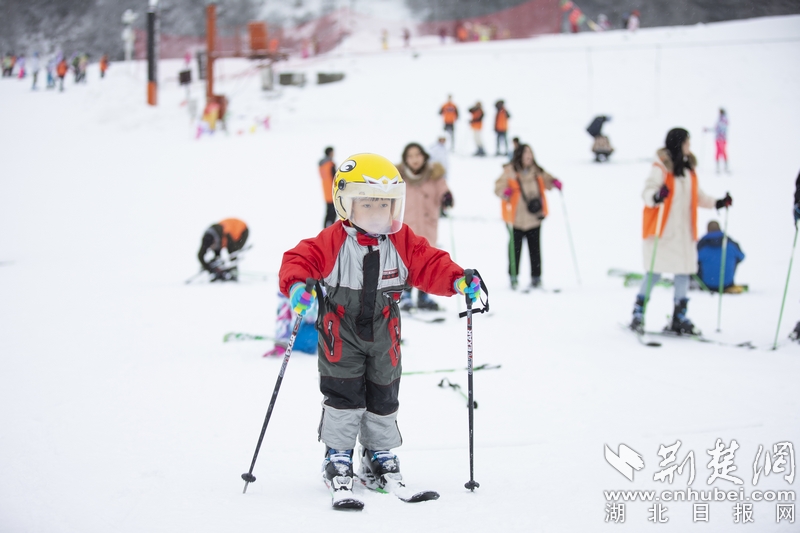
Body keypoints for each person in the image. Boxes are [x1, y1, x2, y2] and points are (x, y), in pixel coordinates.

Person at [277, 153, 481, 504]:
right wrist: (299, 286)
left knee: (384, 395)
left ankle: (379, 454)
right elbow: (300, 259)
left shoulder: (400, 241)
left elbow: (429, 262)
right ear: (346, 204)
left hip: (385, 332)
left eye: (385, 205)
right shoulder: (333, 240)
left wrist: (458, 280)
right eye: (368, 204)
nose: (378, 213)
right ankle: (337, 455)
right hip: (339, 331)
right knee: (344, 395)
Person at [629, 128, 733, 335]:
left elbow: (698, 196)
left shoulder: (688, 170)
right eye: (687, 142)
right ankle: (638, 312)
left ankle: (679, 315)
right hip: (662, 230)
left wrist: (718, 203)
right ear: (678, 143)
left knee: (683, 272)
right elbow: (647, 191)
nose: (689, 146)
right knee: (654, 271)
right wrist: (657, 196)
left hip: (684, 231)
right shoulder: (661, 167)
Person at [494, 144, 562, 290]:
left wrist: (554, 182)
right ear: (519, 155)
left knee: (535, 248)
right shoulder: (510, 171)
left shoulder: (537, 171)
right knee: (514, 248)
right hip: (516, 218)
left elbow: (548, 180)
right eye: (526, 153)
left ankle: (536, 277)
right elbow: (497, 187)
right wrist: (504, 192)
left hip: (534, 216)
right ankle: (513, 277)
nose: (529, 156)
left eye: (530, 153)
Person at [395, 143, 452, 311]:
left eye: (417, 155)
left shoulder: (434, 176)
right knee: (406, 263)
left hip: (427, 227)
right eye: (410, 156)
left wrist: (446, 197)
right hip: (406, 228)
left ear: (424, 157)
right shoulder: (399, 177)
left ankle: (423, 295)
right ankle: (405, 295)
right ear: (405, 159)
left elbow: (443, 189)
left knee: (426, 264)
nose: (414, 160)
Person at [263, 292, 318, 357]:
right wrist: (282, 342)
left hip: (327, 323)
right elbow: (284, 313)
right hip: (306, 326)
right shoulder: (287, 285)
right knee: (305, 341)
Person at [696, 220, 745, 291]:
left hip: (706, 285)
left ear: (707, 230)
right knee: (734, 259)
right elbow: (741, 257)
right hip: (727, 284)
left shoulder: (702, 245)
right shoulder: (730, 243)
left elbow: (692, 260)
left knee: (697, 263)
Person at [707, 108, 729, 174]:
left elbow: (717, 128)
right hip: (720, 138)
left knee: (721, 151)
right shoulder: (722, 119)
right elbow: (716, 128)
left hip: (721, 138)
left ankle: (723, 167)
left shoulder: (723, 120)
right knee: (719, 152)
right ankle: (720, 167)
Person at [319, 147, 337, 228]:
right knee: (333, 212)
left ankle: (325, 228)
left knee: (328, 212)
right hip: (332, 191)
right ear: (330, 153)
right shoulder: (330, 165)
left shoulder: (322, 165)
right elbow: (335, 177)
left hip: (325, 190)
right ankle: (331, 229)